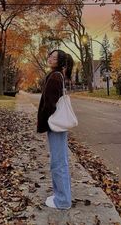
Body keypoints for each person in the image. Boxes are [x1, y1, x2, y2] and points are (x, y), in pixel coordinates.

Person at [37, 49, 74, 210]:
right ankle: (61, 195)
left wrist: (45, 120)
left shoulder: (54, 77)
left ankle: (63, 201)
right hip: (58, 125)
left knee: (58, 163)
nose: (50, 58)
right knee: (60, 161)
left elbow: (50, 104)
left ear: (60, 61)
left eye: (54, 57)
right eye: (50, 56)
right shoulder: (57, 75)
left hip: (55, 125)